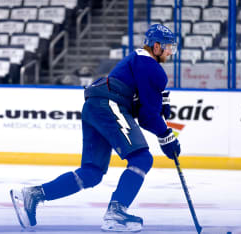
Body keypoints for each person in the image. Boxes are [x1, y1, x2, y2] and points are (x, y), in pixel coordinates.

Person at [10, 24, 181, 232]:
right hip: (108, 104)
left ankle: (33, 194)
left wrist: (158, 100)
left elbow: (137, 102)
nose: (170, 52)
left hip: (95, 105)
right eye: (168, 47)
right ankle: (116, 214)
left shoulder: (137, 59)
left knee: (91, 173)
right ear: (156, 46)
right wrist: (166, 136)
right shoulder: (153, 67)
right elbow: (147, 117)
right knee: (142, 158)